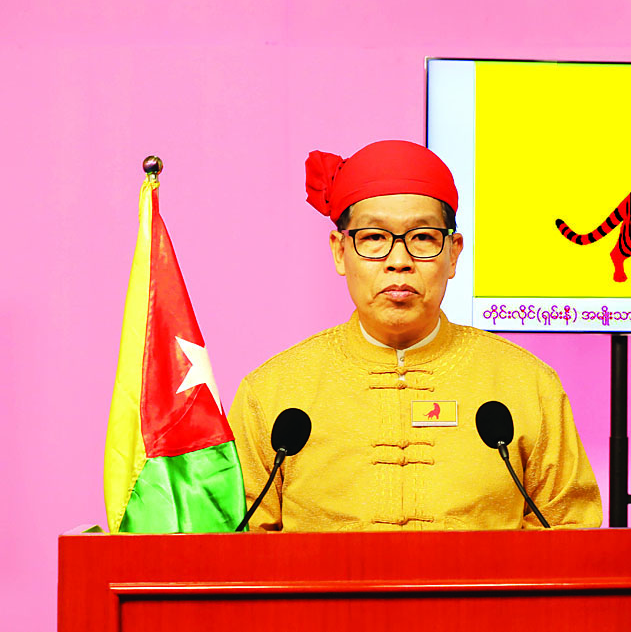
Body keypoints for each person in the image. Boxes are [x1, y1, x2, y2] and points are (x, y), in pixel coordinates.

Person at [229, 140, 601, 531]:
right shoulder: (272, 393)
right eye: (373, 237)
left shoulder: (527, 384)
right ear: (340, 251)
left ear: (453, 253)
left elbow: (571, 533)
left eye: (422, 237)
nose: (399, 261)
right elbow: (233, 547)